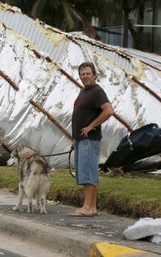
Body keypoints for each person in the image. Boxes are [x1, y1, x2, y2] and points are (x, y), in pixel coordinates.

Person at [69, 62, 114, 217]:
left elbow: (108, 110)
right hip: (81, 140)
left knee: (88, 173)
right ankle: (91, 207)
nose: (85, 76)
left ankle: (87, 208)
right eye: (82, 74)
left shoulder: (97, 91)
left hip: (90, 139)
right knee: (85, 173)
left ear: (94, 75)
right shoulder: (84, 91)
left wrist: (91, 126)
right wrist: (75, 137)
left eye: (88, 73)